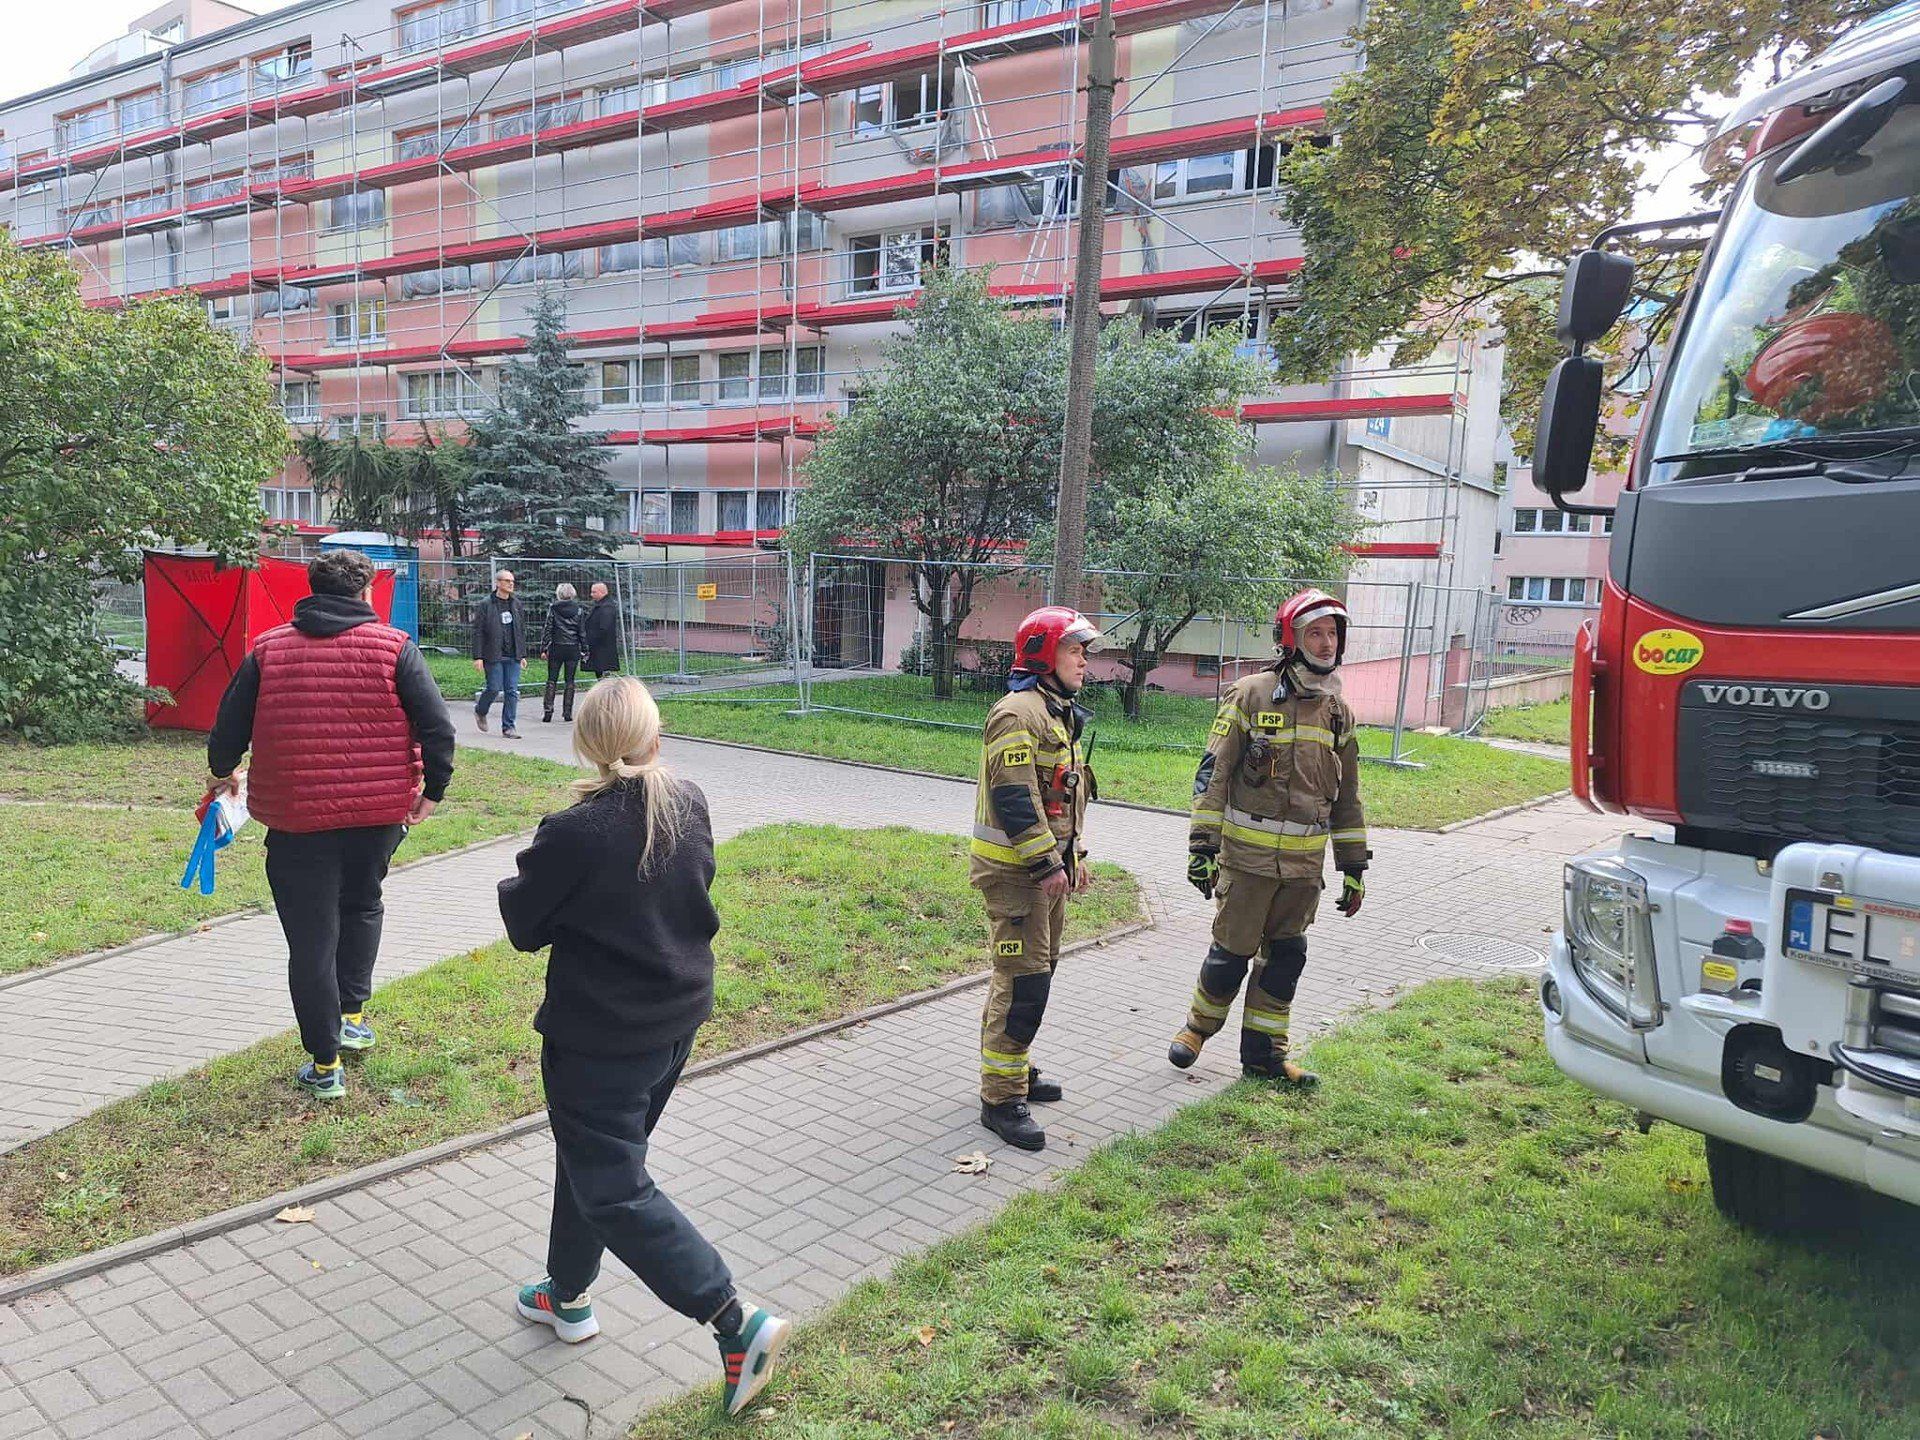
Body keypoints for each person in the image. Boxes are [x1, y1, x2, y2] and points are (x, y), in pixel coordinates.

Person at [498, 676, 789, 1418]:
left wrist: (531, 872)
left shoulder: (573, 831)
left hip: (601, 1039)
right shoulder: (687, 801)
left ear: (586, 744)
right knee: (593, 1161)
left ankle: (733, 1319)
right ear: (654, 736)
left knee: (613, 1187)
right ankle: (567, 1295)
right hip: (673, 1023)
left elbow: (524, 926)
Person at [207, 549, 454, 1101]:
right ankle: (351, 1016)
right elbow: (438, 727)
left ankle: (325, 1065)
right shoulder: (395, 648)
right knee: (362, 905)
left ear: (311, 590)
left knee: (311, 939)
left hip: (295, 819)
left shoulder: (267, 651)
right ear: (366, 592)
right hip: (378, 815)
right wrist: (433, 791)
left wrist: (223, 772)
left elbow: (229, 727)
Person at [1169, 588, 1370, 1085]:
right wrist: (1202, 847)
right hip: (1248, 864)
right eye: (1314, 633)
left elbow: (1348, 798)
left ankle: (1265, 1058)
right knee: (1230, 955)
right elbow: (1213, 774)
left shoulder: (1338, 713)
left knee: (1284, 961)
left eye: (1332, 634)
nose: (1326, 643)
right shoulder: (1250, 695)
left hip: (1303, 872)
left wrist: (1353, 867)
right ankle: (1197, 1029)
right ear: (1291, 639)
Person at [969, 605, 1100, 1152]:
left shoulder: (1054, 711)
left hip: (1045, 871)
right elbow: (1015, 798)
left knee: (1033, 974)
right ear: (1044, 653)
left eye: (1085, 652)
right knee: (1022, 983)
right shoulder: (1016, 714)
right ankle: (1000, 1099)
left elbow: (1063, 796)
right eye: (1074, 650)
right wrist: (1048, 864)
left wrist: (1074, 856)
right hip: (1015, 875)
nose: (1084, 661)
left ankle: (1014, 1069)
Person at [472, 568, 524, 738]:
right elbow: (478, 631)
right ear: (498, 583)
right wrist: (478, 657)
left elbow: (520, 630)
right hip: (493, 654)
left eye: (512, 581)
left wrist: (522, 654)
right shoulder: (486, 604)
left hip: (513, 655)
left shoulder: (516, 604)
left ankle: (508, 727)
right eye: (507, 581)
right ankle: (480, 710)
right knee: (493, 688)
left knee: (512, 691)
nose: (511, 584)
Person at [543, 582, 586, 723]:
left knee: (552, 679)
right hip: (572, 648)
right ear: (572, 594)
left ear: (559, 594)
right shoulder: (579, 610)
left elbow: (548, 628)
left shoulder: (553, 608)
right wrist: (585, 648)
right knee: (570, 680)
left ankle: (548, 711)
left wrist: (544, 648)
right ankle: (567, 712)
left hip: (557, 647)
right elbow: (581, 632)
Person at [583, 580, 621, 678]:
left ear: (602, 592)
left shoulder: (607, 607)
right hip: (600, 647)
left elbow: (604, 627)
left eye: (594, 592)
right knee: (600, 672)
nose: (591, 594)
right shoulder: (602, 605)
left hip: (602, 647)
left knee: (604, 673)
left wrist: (592, 639)